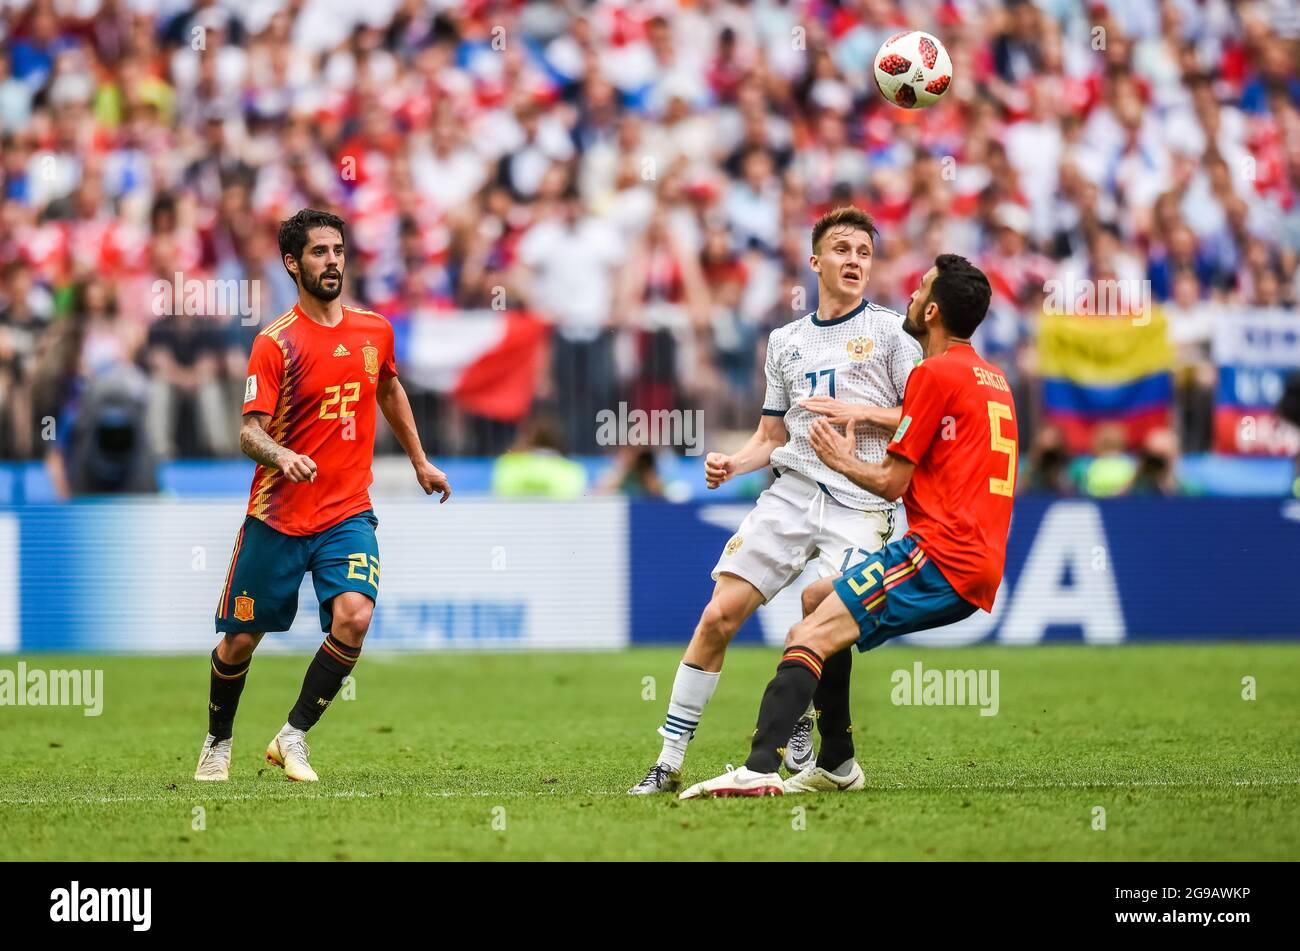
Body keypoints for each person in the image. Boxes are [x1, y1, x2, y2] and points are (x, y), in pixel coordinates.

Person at [680, 254, 1018, 799]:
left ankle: (760, 767)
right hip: (971, 553)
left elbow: (890, 483)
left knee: (805, 636)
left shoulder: (933, 373)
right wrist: (859, 418)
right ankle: (837, 762)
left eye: (921, 287)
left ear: (932, 311)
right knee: (816, 599)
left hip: (942, 556)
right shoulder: (990, 376)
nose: (910, 293)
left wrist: (839, 458)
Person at [628, 205, 922, 795]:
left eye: (864, 252)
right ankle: (668, 760)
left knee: (821, 612)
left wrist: (859, 412)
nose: (854, 261)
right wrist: (733, 462)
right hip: (790, 495)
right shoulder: (785, 341)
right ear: (815, 262)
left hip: (861, 503)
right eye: (842, 249)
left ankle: (802, 730)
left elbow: (920, 417)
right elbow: (772, 436)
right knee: (718, 617)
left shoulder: (893, 333)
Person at [193, 209, 452, 783]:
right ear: (293, 263)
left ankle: (293, 736)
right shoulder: (274, 343)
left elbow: (387, 387)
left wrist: (419, 460)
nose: (332, 261)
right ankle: (217, 739)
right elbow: (248, 431)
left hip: (346, 512)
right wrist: (281, 455)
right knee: (239, 641)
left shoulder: (373, 330)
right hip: (279, 514)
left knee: (354, 617)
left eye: (337, 250)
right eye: (318, 252)